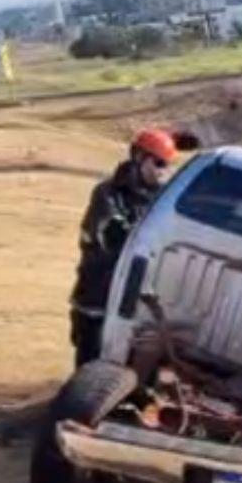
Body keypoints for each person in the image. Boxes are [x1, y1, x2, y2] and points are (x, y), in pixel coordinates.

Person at [69, 128, 179, 367]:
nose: (163, 171)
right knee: (89, 360)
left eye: (167, 165)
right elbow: (108, 234)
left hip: (136, 300)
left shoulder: (163, 201)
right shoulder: (107, 194)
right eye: (159, 163)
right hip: (98, 293)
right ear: (139, 158)